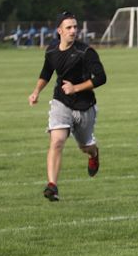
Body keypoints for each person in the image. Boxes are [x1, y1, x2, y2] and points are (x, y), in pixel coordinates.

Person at [28, 11, 107, 201]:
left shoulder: (85, 52)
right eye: (69, 27)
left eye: (75, 27)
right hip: (61, 102)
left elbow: (101, 77)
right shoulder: (52, 50)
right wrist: (36, 91)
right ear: (59, 31)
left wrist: (76, 88)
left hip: (85, 106)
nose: (73, 31)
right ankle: (52, 186)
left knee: (85, 147)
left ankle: (94, 154)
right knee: (57, 141)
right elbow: (46, 72)